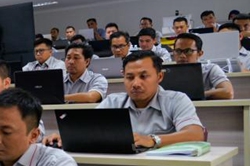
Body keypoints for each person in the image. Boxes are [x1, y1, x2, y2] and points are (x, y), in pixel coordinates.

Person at [44, 51, 205, 149]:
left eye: (144, 76)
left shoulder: (176, 100)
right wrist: (64, 135)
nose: (135, 83)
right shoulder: (113, 101)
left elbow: (196, 133)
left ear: (160, 76)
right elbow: (88, 128)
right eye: (129, 77)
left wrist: (152, 140)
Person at [173, 33, 234, 100]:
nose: (182, 56)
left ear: (199, 54)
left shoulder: (210, 69)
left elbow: (228, 92)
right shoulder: (166, 72)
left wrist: (197, 95)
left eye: (188, 51)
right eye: (178, 51)